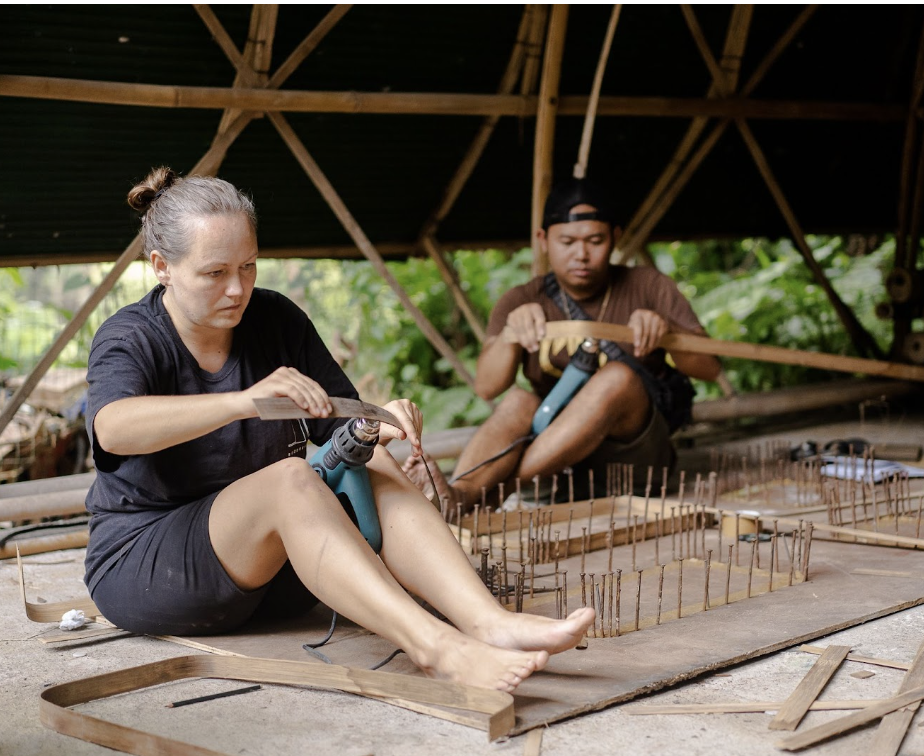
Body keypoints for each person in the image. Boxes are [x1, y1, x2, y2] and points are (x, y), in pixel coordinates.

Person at [82, 167, 594, 693]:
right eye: (215, 273)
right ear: (162, 267)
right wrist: (241, 404)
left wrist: (380, 423)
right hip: (149, 569)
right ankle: (437, 648)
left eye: (249, 266)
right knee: (291, 479)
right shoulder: (130, 337)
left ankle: (489, 623)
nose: (238, 289)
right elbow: (114, 429)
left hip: (273, 573)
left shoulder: (275, 319)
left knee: (367, 456)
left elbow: (343, 423)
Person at [404, 178, 721, 507]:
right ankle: (458, 491)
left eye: (595, 240)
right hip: (552, 462)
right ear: (543, 240)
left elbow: (710, 369)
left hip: (631, 463)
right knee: (517, 401)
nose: (581, 254)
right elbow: (487, 387)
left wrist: (666, 330)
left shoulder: (649, 286)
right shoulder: (522, 299)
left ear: (615, 236)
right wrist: (513, 333)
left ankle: (483, 493)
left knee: (618, 379)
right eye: (567, 241)